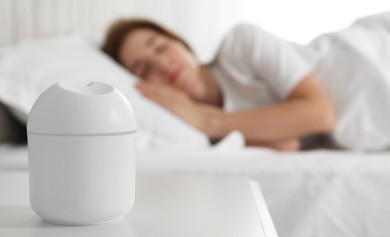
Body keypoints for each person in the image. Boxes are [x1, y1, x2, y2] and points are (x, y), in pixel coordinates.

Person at [102, 12, 390, 151]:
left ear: (181, 44)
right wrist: (205, 124)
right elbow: (287, 144)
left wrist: (207, 120)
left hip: (370, 56)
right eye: (144, 69)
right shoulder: (201, 131)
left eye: (161, 47)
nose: (163, 65)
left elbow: (319, 114)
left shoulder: (239, 45)